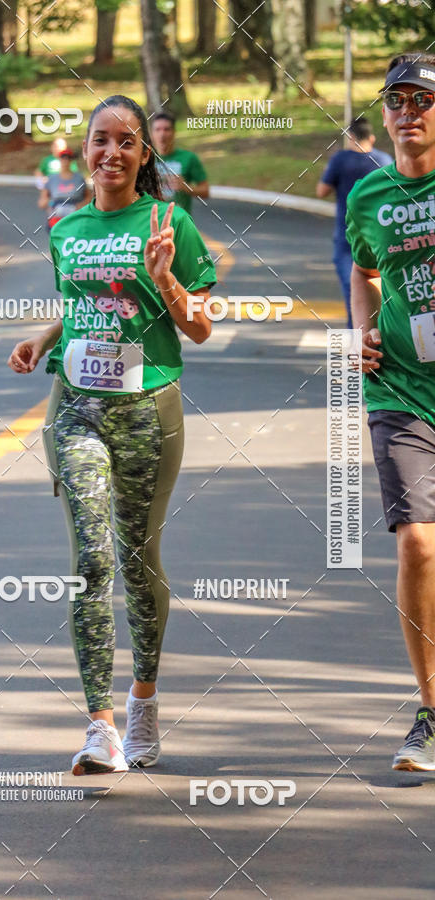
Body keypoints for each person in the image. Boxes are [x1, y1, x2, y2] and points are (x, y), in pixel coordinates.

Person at [8, 94, 216, 775]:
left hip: (148, 411)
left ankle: (143, 701)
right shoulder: (66, 227)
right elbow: (84, 306)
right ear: (86, 149)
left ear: (143, 154)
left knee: (138, 560)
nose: (112, 152)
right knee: (92, 558)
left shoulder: (169, 221)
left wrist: (164, 280)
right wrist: (43, 339)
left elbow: (199, 328)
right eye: (101, 139)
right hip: (75, 407)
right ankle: (100, 726)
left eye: (127, 141)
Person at [346, 52, 435, 771]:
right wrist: (362, 328)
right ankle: (430, 711)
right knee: (417, 546)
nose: (408, 112)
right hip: (400, 388)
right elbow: (363, 268)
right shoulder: (368, 195)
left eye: (423, 100)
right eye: (396, 101)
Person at [317, 117, 392, 327]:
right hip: (381, 239)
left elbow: (321, 191)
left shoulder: (340, 160)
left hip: (347, 238)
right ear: (372, 137)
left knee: (354, 296)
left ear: (350, 137)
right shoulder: (384, 161)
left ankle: (357, 339)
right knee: (382, 295)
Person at [151, 111, 209, 217]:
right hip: (151, 220)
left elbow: (205, 191)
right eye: (158, 129)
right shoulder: (143, 158)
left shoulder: (188, 158)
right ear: (152, 133)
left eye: (167, 129)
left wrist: (186, 187)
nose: (162, 134)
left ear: (174, 132)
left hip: (179, 220)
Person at [37, 147, 90, 230]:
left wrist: (80, 206)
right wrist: (49, 206)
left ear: (71, 160)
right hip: (57, 210)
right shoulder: (52, 178)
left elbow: (89, 197)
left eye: (68, 158)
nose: (65, 161)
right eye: (63, 158)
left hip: (75, 209)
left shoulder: (79, 178)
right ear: (59, 159)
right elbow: (42, 201)